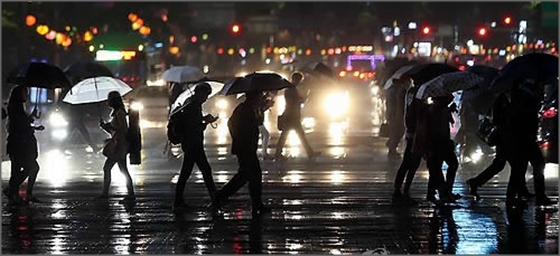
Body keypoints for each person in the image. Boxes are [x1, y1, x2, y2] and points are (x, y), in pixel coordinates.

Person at [213, 91, 271, 218]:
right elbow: (232, 124)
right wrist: (239, 138)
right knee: (245, 176)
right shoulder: (243, 109)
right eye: (259, 97)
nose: (261, 98)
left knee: (251, 176)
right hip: (245, 148)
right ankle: (220, 196)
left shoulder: (251, 109)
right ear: (254, 97)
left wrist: (263, 109)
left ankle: (256, 203)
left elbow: (258, 123)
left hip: (249, 147)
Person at [466, 92, 533, 200]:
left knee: (501, 164)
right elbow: (501, 120)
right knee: (515, 165)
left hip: (506, 138)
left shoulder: (505, 99)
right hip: (506, 139)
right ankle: (518, 192)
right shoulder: (503, 100)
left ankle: (476, 182)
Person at [502, 79, 552, 207]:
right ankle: (534, 196)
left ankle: (514, 196)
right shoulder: (526, 99)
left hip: (521, 139)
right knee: (531, 166)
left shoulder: (520, 97)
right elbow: (523, 118)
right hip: (523, 139)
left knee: (521, 168)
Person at [173, 83, 219, 210]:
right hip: (193, 143)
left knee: (200, 171)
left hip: (193, 143)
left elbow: (195, 122)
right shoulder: (192, 106)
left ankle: (215, 198)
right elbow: (194, 126)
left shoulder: (192, 104)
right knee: (192, 172)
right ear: (199, 93)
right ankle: (215, 199)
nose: (206, 98)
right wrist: (206, 121)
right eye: (205, 95)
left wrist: (204, 119)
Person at [3, 85, 45, 205]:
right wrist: (31, 118)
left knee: (18, 170)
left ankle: (14, 193)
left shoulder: (17, 107)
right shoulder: (15, 107)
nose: (26, 95)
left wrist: (33, 120)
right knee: (32, 168)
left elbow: (23, 123)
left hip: (18, 144)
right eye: (24, 93)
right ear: (19, 95)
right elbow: (21, 124)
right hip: (20, 145)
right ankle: (13, 191)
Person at [422, 95, 459, 204]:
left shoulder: (443, 109)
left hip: (444, 142)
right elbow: (428, 130)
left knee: (444, 166)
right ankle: (439, 192)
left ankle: (444, 192)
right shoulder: (432, 111)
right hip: (436, 143)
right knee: (436, 169)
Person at [99, 91, 135, 200]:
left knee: (108, 168)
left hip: (119, 145)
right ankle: (130, 194)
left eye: (109, 99)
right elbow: (115, 132)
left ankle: (105, 193)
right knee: (123, 170)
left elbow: (123, 129)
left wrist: (111, 126)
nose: (107, 102)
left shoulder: (120, 113)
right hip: (119, 144)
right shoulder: (118, 113)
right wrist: (105, 127)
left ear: (114, 101)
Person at [274, 72, 319, 160]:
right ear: (296, 79)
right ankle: (278, 154)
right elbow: (296, 101)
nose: (300, 82)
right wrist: (305, 97)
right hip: (291, 116)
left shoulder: (290, 88)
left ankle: (310, 152)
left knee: (292, 135)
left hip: (290, 115)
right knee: (293, 136)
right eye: (299, 80)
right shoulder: (291, 89)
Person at [392, 80, 423, 200]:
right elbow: (419, 111)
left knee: (407, 162)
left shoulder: (411, 91)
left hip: (411, 130)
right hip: (416, 132)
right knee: (412, 163)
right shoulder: (419, 93)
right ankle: (404, 189)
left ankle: (399, 188)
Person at [385, 77, 411, 158]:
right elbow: (400, 104)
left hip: (392, 114)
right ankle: (392, 148)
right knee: (399, 131)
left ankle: (391, 146)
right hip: (397, 114)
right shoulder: (400, 90)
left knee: (395, 131)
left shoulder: (390, 89)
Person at [259, 92, 275, 160]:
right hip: (257, 121)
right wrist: (268, 105)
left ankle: (264, 152)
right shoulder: (260, 98)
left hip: (258, 120)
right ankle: (264, 153)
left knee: (264, 135)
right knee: (266, 135)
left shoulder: (261, 98)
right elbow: (260, 109)